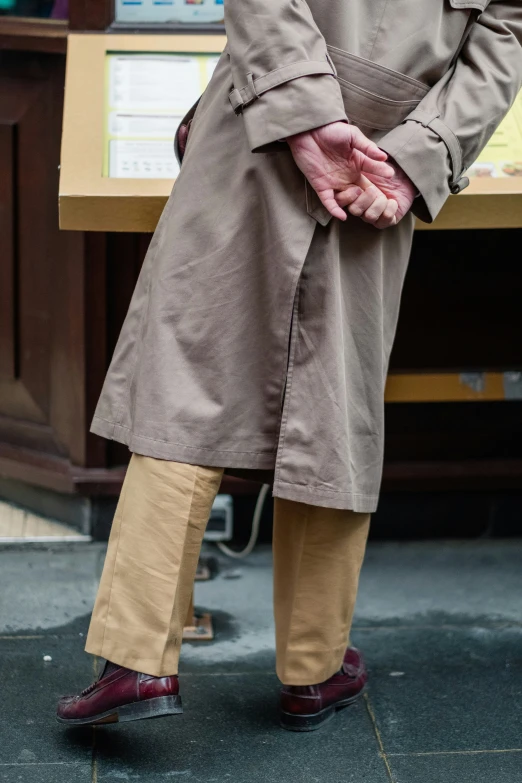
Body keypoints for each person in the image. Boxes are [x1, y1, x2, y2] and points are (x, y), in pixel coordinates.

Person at [57, 0, 522, 731]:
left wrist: (312, 116)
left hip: (269, 114)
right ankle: (313, 667)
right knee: (334, 398)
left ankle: (136, 658)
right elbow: (504, 33)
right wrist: (416, 154)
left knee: (188, 374)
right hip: (377, 147)